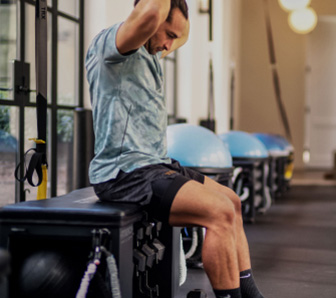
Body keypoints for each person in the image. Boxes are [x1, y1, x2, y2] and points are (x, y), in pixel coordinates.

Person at [85, 1, 265, 297]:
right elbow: (153, 13)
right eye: (167, 33)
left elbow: (182, 32)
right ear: (149, 18)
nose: (170, 43)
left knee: (231, 201)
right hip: (125, 174)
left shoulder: (152, 49)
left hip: (155, 165)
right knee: (218, 212)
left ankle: (251, 293)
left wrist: (174, 26)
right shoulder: (114, 45)